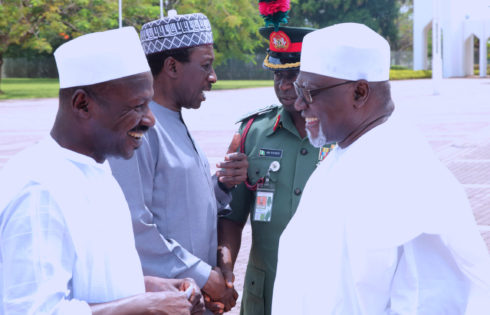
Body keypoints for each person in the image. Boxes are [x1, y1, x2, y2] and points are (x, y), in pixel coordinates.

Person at [271, 22, 490, 314]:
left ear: (360, 93)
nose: (298, 104)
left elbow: (426, 300)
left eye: (309, 92)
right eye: (299, 89)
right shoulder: (342, 154)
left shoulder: (403, 173)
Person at [0, 27, 204, 314]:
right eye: (137, 106)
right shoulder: (40, 188)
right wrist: (141, 307)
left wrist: (150, 288)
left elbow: (89, 281)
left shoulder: (97, 168)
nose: (150, 120)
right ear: (82, 104)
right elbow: (31, 310)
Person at [108, 11, 246, 314]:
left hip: (194, 300)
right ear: (171, 66)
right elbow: (134, 224)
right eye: (205, 66)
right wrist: (204, 276)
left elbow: (179, 203)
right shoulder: (140, 129)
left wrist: (222, 184)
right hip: (164, 302)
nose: (213, 77)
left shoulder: (174, 121)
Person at [217, 25, 334, 315]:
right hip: (265, 294)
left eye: (293, 76)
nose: (283, 85)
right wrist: (226, 269)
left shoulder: (340, 134)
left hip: (325, 290)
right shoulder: (251, 133)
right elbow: (232, 216)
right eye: (277, 75)